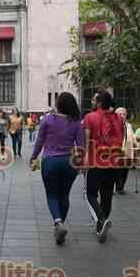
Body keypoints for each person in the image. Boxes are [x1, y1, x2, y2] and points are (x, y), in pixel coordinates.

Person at [30, 92, 84, 245]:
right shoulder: (76, 122)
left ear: (58, 104)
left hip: (50, 162)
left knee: (52, 195)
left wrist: (33, 157)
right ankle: (60, 225)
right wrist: (80, 163)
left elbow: (39, 141)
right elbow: (81, 146)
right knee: (64, 195)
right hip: (69, 163)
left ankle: (58, 222)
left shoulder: (48, 119)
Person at [83, 90, 124, 243]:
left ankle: (101, 219)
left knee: (90, 195)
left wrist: (85, 158)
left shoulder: (90, 117)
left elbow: (87, 140)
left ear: (99, 103)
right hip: (113, 162)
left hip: (96, 162)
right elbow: (122, 138)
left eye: (94, 100)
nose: (92, 102)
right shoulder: (119, 118)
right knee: (107, 196)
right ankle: (101, 225)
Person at [114, 107, 138, 194]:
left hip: (128, 151)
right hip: (117, 151)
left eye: (124, 114)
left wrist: (137, 145)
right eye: (120, 114)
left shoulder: (129, 125)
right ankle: (118, 187)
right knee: (117, 170)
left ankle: (121, 187)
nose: (122, 116)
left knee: (125, 170)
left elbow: (133, 137)